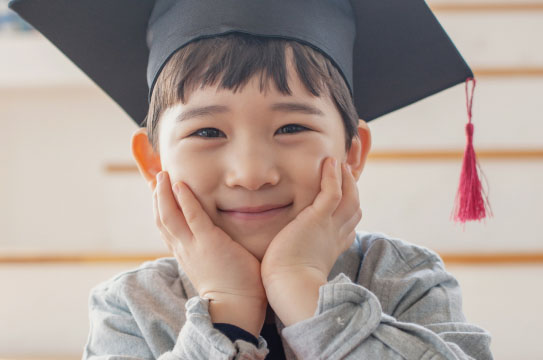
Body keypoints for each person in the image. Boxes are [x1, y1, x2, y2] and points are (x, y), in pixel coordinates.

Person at [9, 0, 493, 359]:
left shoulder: (405, 279)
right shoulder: (133, 308)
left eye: (291, 127)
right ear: (154, 162)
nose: (252, 173)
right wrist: (228, 314)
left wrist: (305, 294)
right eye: (207, 131)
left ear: (351, 153)